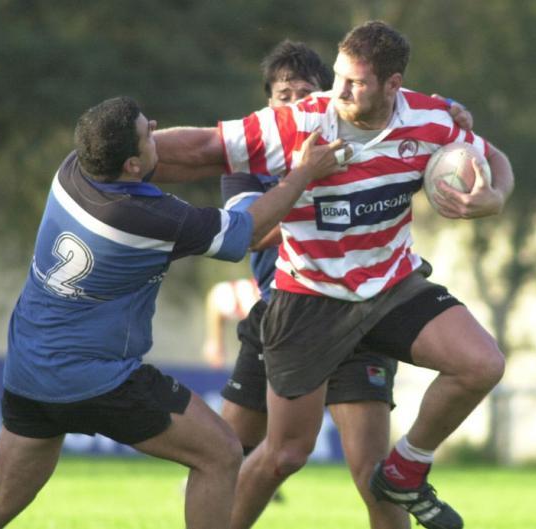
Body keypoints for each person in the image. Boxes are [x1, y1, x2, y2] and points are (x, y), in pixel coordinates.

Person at [155, 21, 513, 529]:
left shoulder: (432, 118)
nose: (338, 90)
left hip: (390, 287)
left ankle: (408, 469)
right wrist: (130, 155)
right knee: (284, 454)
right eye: (338, 77)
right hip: (307, 300)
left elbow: (490, 154)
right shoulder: (298, 125)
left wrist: (495, 196)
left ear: (393, 85)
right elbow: (203, 148)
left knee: (481, 365)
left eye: (355, 82)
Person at [0, 96, 344, 529]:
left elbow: (168, 161)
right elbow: (247, 232)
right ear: (131, 165)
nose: (154, 126)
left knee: (0, 499)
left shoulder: (72, 169)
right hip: (98, 378)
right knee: (221, 452)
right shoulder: (147, 220)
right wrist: (304, 172)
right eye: (146, 132)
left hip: (28, 369)